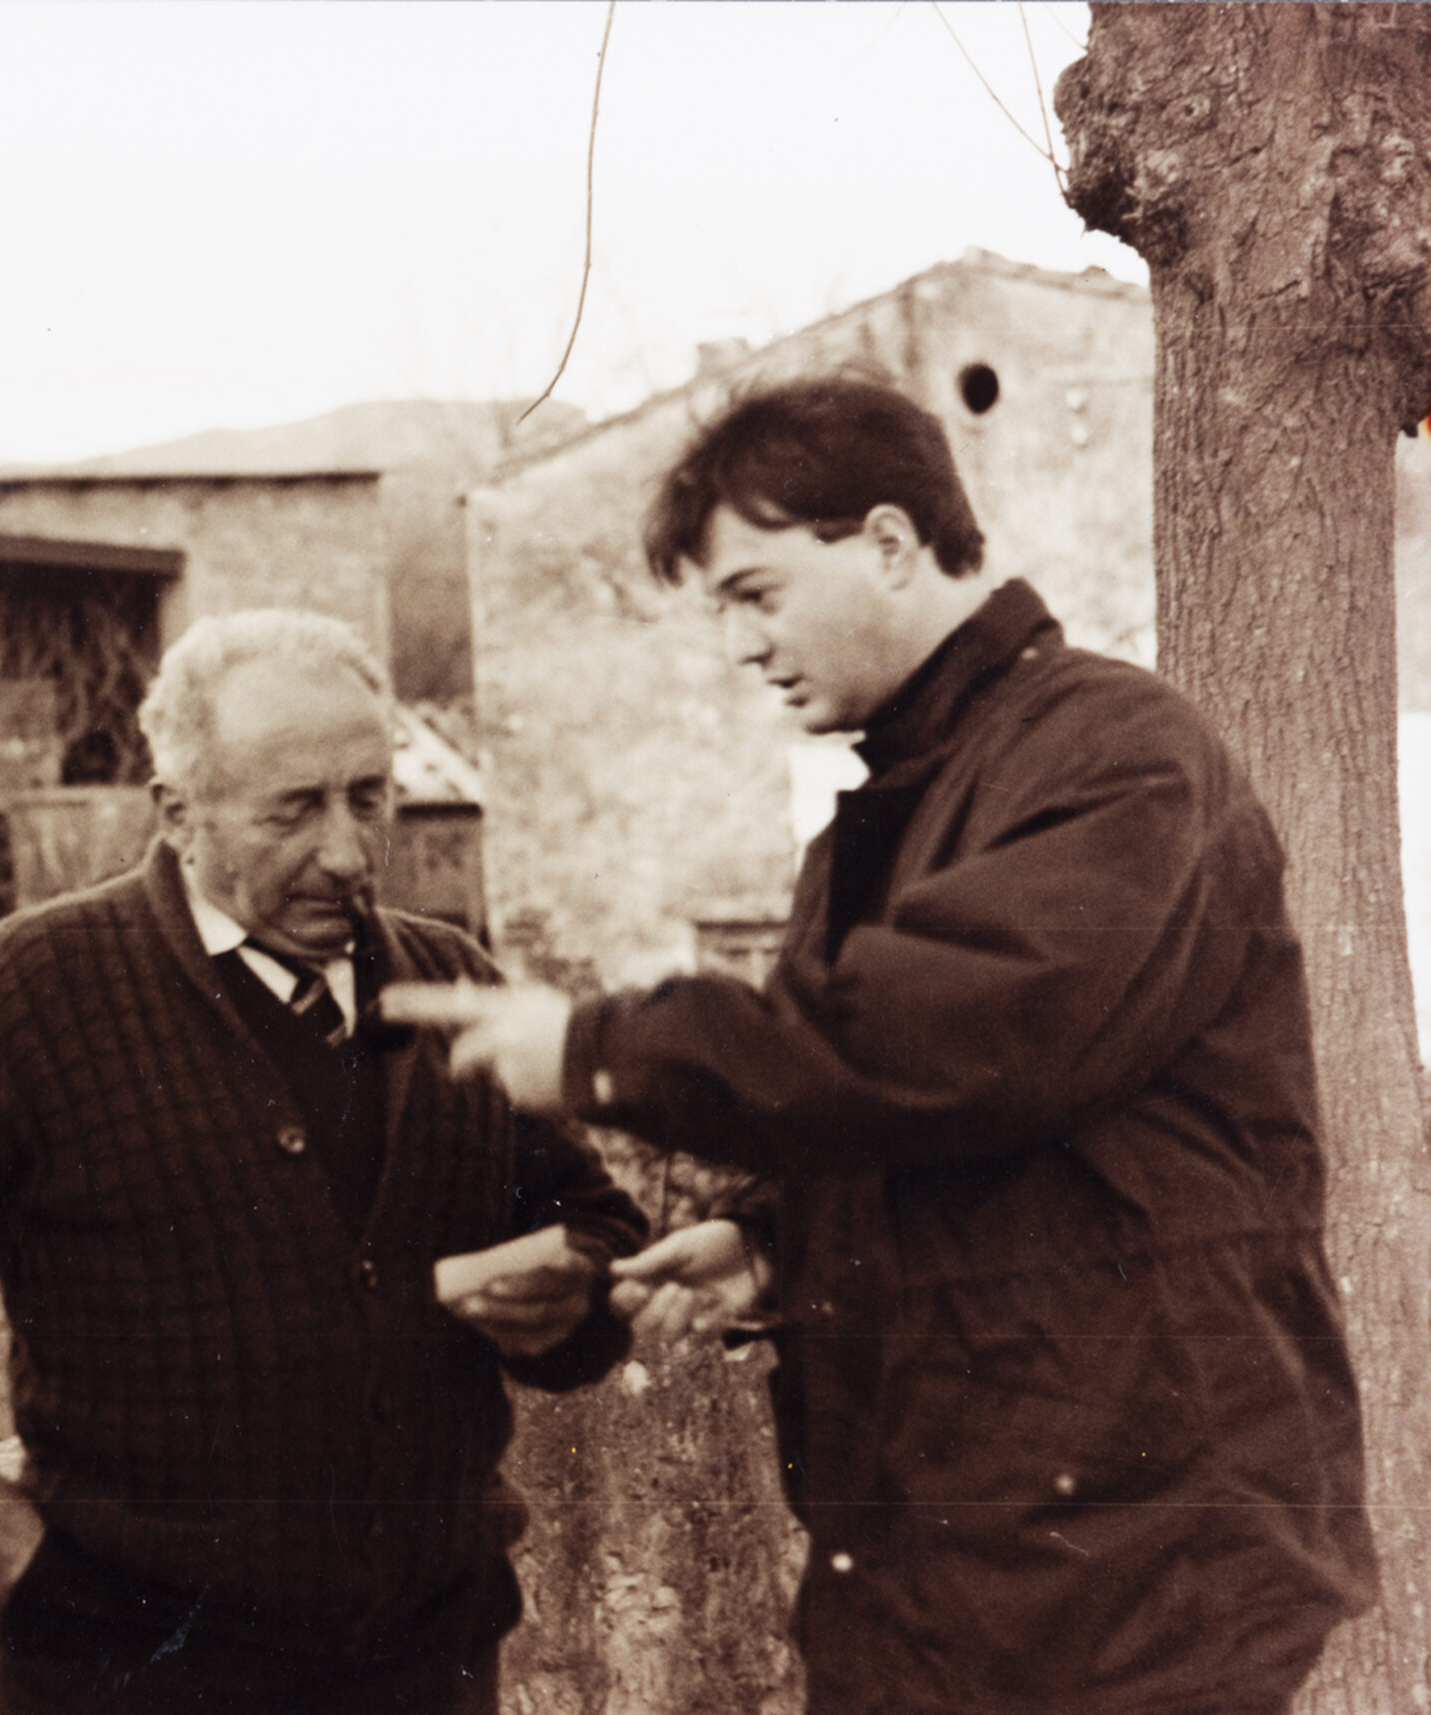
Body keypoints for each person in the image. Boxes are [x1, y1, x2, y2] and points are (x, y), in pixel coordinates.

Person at [387, 375, 1379, 1715]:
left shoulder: (1120, 755)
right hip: (955, 1564)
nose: (741, 645)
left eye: (757, 592)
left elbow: (954, 1039)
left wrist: (598, 1047)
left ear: (892, 543)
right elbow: (943, 1137)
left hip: (1129, 1574)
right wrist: (772, 1242)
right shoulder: (885, 816)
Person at [0, 610, 647, 1715]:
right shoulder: (35, 989)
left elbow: (602, 1233)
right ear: (178, 813)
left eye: (368, 796)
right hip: (135, 1669)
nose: (347, 851)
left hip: (433, 1655)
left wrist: (574, 1294)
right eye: (294, 809)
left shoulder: (448, 977)